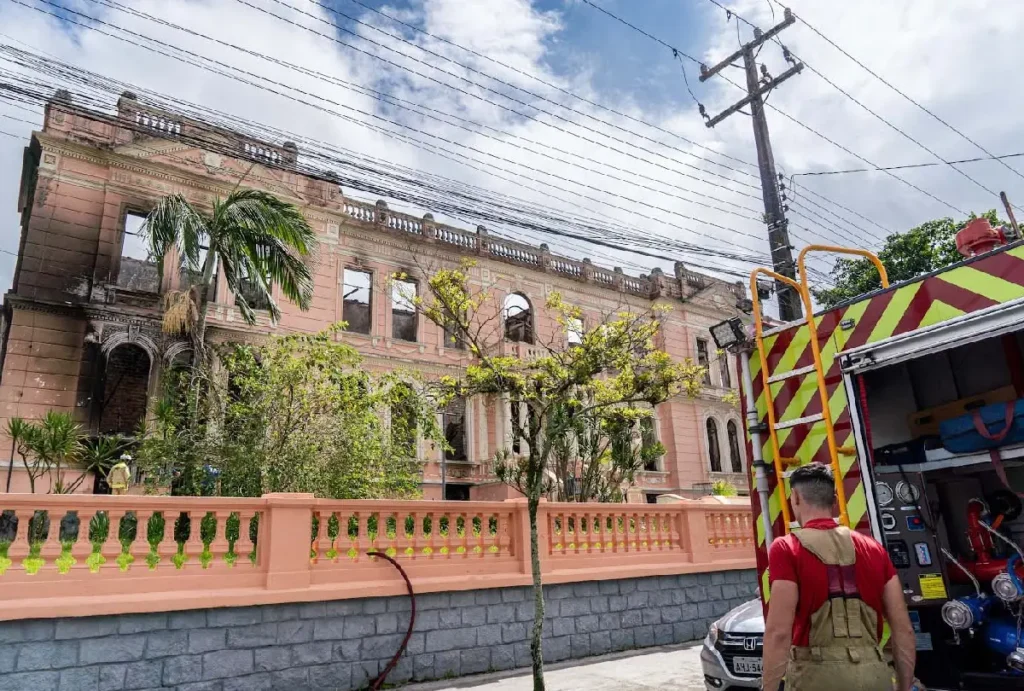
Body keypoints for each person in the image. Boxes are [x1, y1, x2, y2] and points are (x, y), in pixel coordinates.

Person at [760, 463, 920, 691]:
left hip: (817, 677)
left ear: (794, 497)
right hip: (875, 675)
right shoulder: (874, 549)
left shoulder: (787, 548)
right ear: (835, 499)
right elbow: (903, 630)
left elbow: (778, 632)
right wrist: (904, 686)